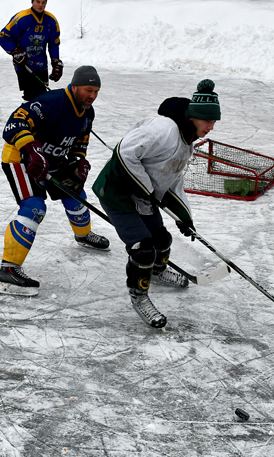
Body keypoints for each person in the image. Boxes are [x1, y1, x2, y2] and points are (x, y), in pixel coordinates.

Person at [92, 80, 221, 328]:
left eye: (214, 121)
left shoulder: (187, 142)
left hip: (142, 196)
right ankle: (139, 296)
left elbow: (172, 180)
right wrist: (147, 189)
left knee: (162, 240)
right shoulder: (163, 129)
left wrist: (185, 216)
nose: (211, 127)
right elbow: (125, 152)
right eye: (208, 120)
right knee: (143, 249)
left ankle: (157, 271)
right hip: (117, 193)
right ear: (193, 116)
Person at [0, 65, 109, 297]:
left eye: (96, 92)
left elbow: (81, 138)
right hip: (22, 159)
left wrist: (78, 159)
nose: (92, 96)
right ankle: (9, 269)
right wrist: (31, 148)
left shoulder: (87, 112)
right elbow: (14, 123)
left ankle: (83, 235)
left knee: (75, 195)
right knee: (34, 207)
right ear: (74, 87)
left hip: (53, 159)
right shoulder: (51, 102)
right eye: (88, 90)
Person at [0, 0, 63, 102]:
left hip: (41, 65)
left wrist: (56, 62)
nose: (40, 5)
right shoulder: (22, 18)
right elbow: (3, 37)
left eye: (43, 2)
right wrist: (15, 51)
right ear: (32, 1)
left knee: (41, 99)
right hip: (25, 65)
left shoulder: (51, 21)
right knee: (32, 98)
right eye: (37, 1)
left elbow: (53, 44)